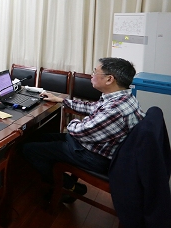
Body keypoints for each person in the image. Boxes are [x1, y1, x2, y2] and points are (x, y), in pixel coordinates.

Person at [22, 57, 144, 201]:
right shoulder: (123, 98)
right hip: (95, 146)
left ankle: (68, 186)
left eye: (95, 72)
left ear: (109, 79)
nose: (92, 75)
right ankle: (47, 177)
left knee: (29, 150)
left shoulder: (115, 110)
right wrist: (61, 100)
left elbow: (78, 131)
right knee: (38, 137)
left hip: (93, 156)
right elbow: (92, 108)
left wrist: (75, 122)